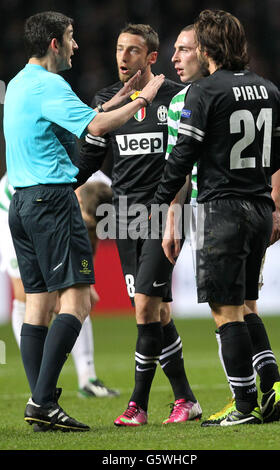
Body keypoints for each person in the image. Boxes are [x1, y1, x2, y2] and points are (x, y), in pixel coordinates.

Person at [3, 11, 164, 432]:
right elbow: (95, 125)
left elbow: (84, 116)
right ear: (55, 43)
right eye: (71, 38)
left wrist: (121, 97)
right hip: (52, 201)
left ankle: (43, 405)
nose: (77, 46)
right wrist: (144, 99)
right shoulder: (49, 84)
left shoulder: (20, 83)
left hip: (21, 203)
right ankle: (42, 402)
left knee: (37, 305)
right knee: (80, 300)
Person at [152, 9, 280, 426]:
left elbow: (182, 157)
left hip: (221, 210)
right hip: (260, 207)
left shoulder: (203, 92)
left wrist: (161, 203)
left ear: (208, 49)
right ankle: (272, 383)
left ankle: (243, 404)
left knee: (224, 310)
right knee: (247, 306)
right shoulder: (268, 89)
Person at [79, 23, 201, 426]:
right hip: (123, 216)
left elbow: (183, 165)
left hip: (164, 214)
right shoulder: (106, 101)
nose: (122, 57)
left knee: (147, 308)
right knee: (157, 312)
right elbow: (90, 155)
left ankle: (137, 406)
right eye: (119, 49)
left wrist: (172, 214)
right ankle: (186, 399)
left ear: (151, 57)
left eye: (133, 50)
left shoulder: (176, 97)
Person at [0, 171, 119, 400]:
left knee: (76, 295)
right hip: (13, 207)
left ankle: (88, 379)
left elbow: (90, 235)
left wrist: (85, 280)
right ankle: (39, 384)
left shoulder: (105, 192)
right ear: (78, 200)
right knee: (28, 294)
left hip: (46, 205)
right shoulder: (61, 197)